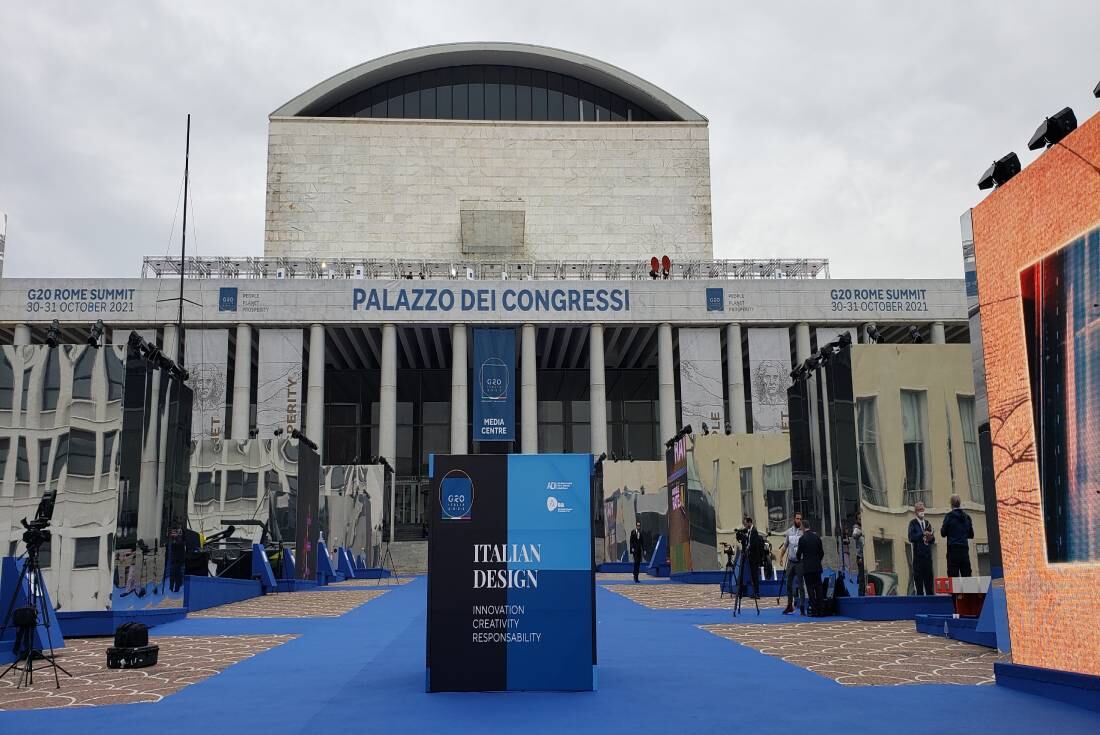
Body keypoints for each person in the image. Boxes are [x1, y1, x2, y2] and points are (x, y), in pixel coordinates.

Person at [940, 494, 974, 577]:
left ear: (951, 504)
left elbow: (943, 533)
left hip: (953, 550)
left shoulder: (949, 517)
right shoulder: (967, 517)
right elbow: (971, 534)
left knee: (953, 578)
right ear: (960, 503)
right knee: (967, 577)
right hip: (964, 550)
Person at [778, 512, 804, 614]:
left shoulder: (803, 532)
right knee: (788, 583)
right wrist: (781, 557)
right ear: (794, 519)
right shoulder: (789, 532)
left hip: (800, 562)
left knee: (801, 585)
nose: (799, 520)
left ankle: (802, 606)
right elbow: (785, 546)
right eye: (797, 518)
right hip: (790, 561)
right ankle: (789, 605)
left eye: (800, 519)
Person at [798, 522, 825, 616]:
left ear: (803, 527)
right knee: (819, 588)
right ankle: (821, 610)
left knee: (810, 589)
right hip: (817, 567)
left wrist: (801, 560)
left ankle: (814, 610)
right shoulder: (817, 537)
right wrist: (818, 560)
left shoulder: (802, 539)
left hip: (807, 568)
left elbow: (798, 554)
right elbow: (821, 552)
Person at [908, 501, 936, 594]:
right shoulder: (913, 523)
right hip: (918, 558)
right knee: (919, 585)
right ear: (915, 512)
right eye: (919, 510)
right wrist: (922, 533)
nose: (921, 511)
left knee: (929, 585)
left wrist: (930, 537)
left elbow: (932, 540)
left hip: (927, 558)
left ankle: (930, 604)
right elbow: (911, 537)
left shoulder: (927, 523)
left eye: (922, 509)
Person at [739, 516, 765, 599]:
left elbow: (753, 544)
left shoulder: (754, 531)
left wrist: (747, 548)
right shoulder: (749, 531)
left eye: (746, 524)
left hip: (754, 557)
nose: (745, 525)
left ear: (750, 522)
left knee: (755, 575)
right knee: (753, 576)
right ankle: (755, 592)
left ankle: (757, 593)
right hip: (750, 556)